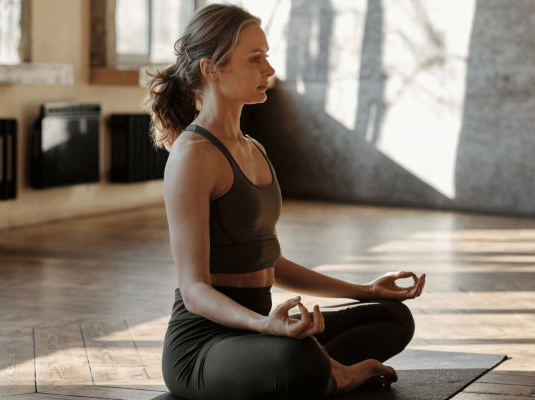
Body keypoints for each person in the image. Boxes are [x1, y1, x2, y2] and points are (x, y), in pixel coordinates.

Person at [145, 3, 426, 400]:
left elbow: (271, 265)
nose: (269, 70)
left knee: (394, 317)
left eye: (267, 57)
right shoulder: (193, 155)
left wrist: (367, 290)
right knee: (300, 360)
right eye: (255, 58)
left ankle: (319, 369)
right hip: (204, 347)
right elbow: (194, 290)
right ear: (212, 69)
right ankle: (334, 374)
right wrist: (265, 327)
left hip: (260, 330)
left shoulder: (253, 148)